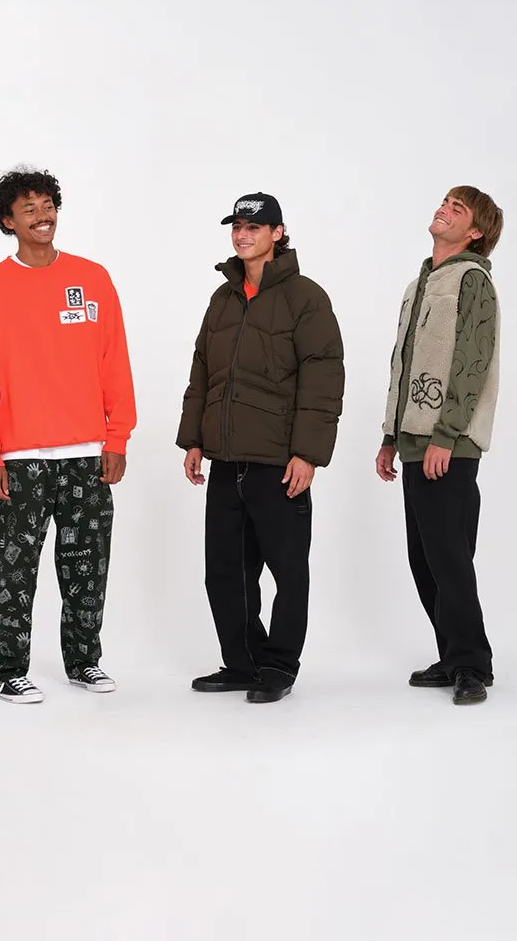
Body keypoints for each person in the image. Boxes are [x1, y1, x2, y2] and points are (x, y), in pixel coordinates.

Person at [0, 167, 137, 703]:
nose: (42, 216)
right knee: (12, 571)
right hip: (20, 457)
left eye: (47, 205)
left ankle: (84, 661)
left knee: (87, 566)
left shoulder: (93, 278)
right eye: (29, 209)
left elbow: (114, 362)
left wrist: (117, 437)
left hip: (88, 453)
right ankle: (6, 668)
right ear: (7, 221)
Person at [177, 192, 345, 703]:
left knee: (288, 571)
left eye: (253, 226)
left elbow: (323, 377)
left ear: (278, 233)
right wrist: (194, 439)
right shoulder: (223, 298)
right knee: (225, 571)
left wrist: (308, 454)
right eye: (237, 226)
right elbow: (202, 370)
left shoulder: (305, 298)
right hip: (226, 459)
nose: (242, 234)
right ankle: (243, 662)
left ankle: (278, 666)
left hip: (279, 461)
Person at [376, 186, 504, 705]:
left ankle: (472, 664)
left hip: (448, 444)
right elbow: (404, 362)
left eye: (458, 208)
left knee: (449, 557)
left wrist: (446, 436)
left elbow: (472, 362)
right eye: (445, 201)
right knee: (424, 557)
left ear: (475, 232)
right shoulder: (420, 284)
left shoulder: (472, 281)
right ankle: (452, 655)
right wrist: (390, 436)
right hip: (414, 441)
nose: (443, 209)